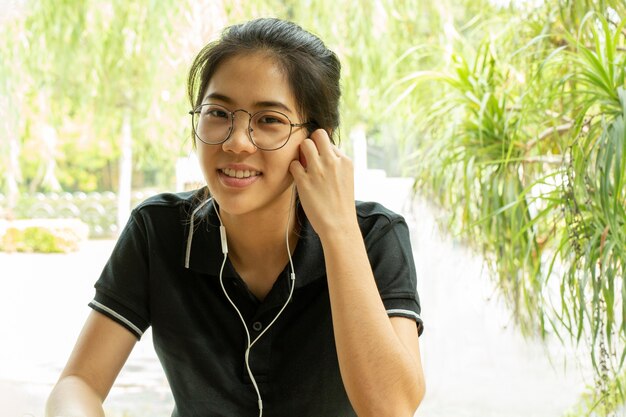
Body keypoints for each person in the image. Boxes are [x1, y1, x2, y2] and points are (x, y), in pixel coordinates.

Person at [46, 17, 425, 417]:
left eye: (269, 120)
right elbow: (78, 383)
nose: (236, 142)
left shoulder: (373, 236)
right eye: (218, 113)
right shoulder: (157, 231)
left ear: (319, 141)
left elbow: (391, 408)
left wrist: (338, 231)